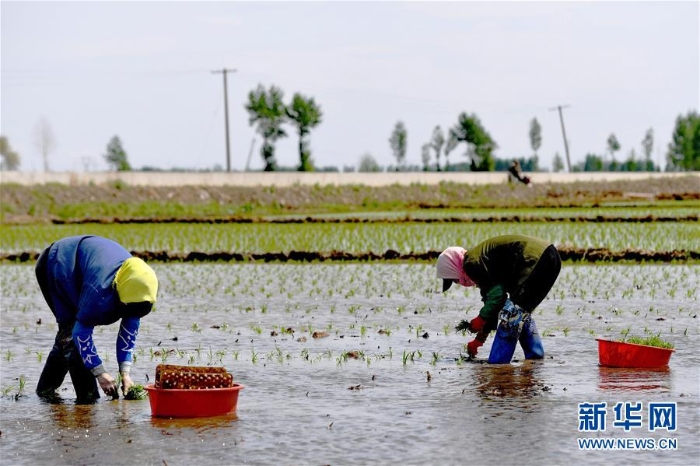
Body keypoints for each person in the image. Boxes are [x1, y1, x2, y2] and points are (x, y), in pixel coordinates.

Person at [35, 235, 158, 403]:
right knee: (70, 335)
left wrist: (125, 374)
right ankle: (88, 401)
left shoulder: (138, 293)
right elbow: (81, 333)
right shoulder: (100, 292)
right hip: (58, 264)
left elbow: (128, 334)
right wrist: (100, 373)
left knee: (66, 338)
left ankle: (45, 391)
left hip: (85, 267)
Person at [436, 234, 561, 364]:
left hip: (535, 260)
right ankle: (535, 360)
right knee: (519, 311)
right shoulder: (480, 263)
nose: (459, 282)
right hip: (550, 256)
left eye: (455, 280)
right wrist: (479, 340)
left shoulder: (471, 264)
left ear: (454, 267)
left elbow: (497, 297)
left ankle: (498, 365)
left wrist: (480, 318)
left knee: (512, 316)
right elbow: (495, 305)